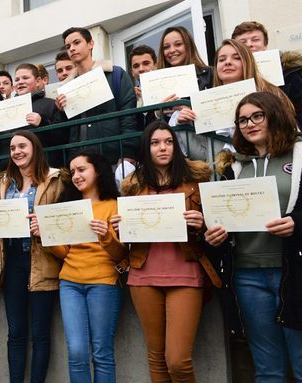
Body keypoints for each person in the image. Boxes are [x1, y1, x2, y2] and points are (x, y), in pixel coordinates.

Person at [207, 91, 302, 382]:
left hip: (294, 272)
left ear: (274, 114)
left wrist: (297, 223)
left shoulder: (299, 153)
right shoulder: (232, 167)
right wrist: (214, 235)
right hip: (247, 275)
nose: (249, 124)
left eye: (257, 116)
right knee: (267, 370)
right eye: (242, 120)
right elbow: (223, 217)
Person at [117, 121, 221, 382]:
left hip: (185, 272)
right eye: (155, 143)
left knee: (178, 361)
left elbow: (217, 227)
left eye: (168, 141)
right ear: (146, 148)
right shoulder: (132, 186)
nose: (162, 147)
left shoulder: (196, 179)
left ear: (175, 145)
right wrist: (120, 227)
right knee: (157, 358)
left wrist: (201, 222)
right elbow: (125, 238)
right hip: (143, 274)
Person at [0, 130, 67, 383]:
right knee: (15, 332)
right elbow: (3, 220)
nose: (16, 151)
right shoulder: (6, 181)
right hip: (13, 260)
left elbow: (63, 221)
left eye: (22, 146)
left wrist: (45, 227)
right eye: (12, 148)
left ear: (35, 148)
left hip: (42, 260)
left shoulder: (54, 179)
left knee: (40, 333)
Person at [32, 151, 127, 383]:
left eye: (81, 169)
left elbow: (120, 255)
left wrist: (106, 236)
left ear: (98, 170)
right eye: (72, 172)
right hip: (70, 282)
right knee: (76, 352)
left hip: (104, 282)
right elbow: (65, 253)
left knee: (101, 352)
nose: (76, 176)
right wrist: (47, 237)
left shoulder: (114, 206)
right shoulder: (69, 207)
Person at [57, 27, 138, 168]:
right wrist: (61, 111)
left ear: (90, 44)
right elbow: (71, 130)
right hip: (81, 162)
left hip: (114, 159)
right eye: (68, 46)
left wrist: (127, 153)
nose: (72, 49)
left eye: (77, 43)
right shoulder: (66, 88)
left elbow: (128, 116)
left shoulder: (116, 75)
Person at [157, 26, 214, 161]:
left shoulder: (210, 74)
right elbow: (150, 126)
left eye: (178, 44)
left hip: (203, 147)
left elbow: (217, 109)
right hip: (171, 152)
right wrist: (158, 112)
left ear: (188, 46)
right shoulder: (157, 81)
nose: (172, 50)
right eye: (166, 47)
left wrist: (188, 109)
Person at [232, 21, 302, 126]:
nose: (249, 44)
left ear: (265, 45)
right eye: (243, 42)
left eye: (255, 40)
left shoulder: (292, 73)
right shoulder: (230, 79)